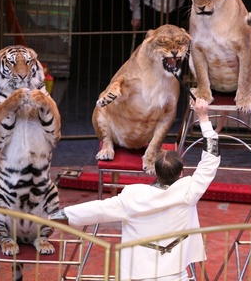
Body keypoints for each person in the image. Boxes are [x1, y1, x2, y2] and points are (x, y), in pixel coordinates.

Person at [50, 98, 220, 281]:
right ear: (181, 173)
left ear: (155, 170)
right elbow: (212, 156)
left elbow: (94, 210)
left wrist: (51, 218)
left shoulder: (133, 197)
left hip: (138, 276)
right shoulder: (189, 191)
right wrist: (203, 117)